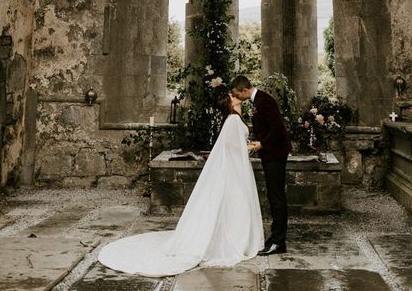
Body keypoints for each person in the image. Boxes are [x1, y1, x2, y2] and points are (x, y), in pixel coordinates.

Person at [97, 92, 264, 277]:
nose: (236, 95)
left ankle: (234, 236)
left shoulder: (235, 118)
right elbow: (233, 146)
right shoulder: (233, 120)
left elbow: (234, 143)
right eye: (232, 95)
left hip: (236, 166)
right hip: (234, 167)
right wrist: (253, 147)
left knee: (235, 202)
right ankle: (232, 239)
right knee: (235, 201)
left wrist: (248, 144)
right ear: (230, 104)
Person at [230, 74, 292, 256]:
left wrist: (261, 144)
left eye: (236, 94)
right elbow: (267, 127)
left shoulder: (264, 101)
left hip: (276, 154)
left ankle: (279, 242)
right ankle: (275, 237)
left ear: (244, 90)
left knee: (277, 197)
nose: (236, 98)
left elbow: (278, 128)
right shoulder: (258, 101)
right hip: (270, 154)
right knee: (274, 196)